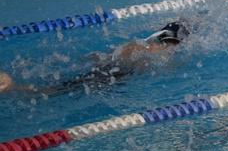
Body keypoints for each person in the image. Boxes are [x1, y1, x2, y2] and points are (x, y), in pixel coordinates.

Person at [0, 21, 190, 96]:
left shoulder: (137, 43)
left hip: (108, 66)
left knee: (63, 84)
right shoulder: (161, 54)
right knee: (56, 91)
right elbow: (149, 69)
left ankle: (13, 85)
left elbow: (101, 56)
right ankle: (11, 87)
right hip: (115, 74)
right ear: (174, 43)